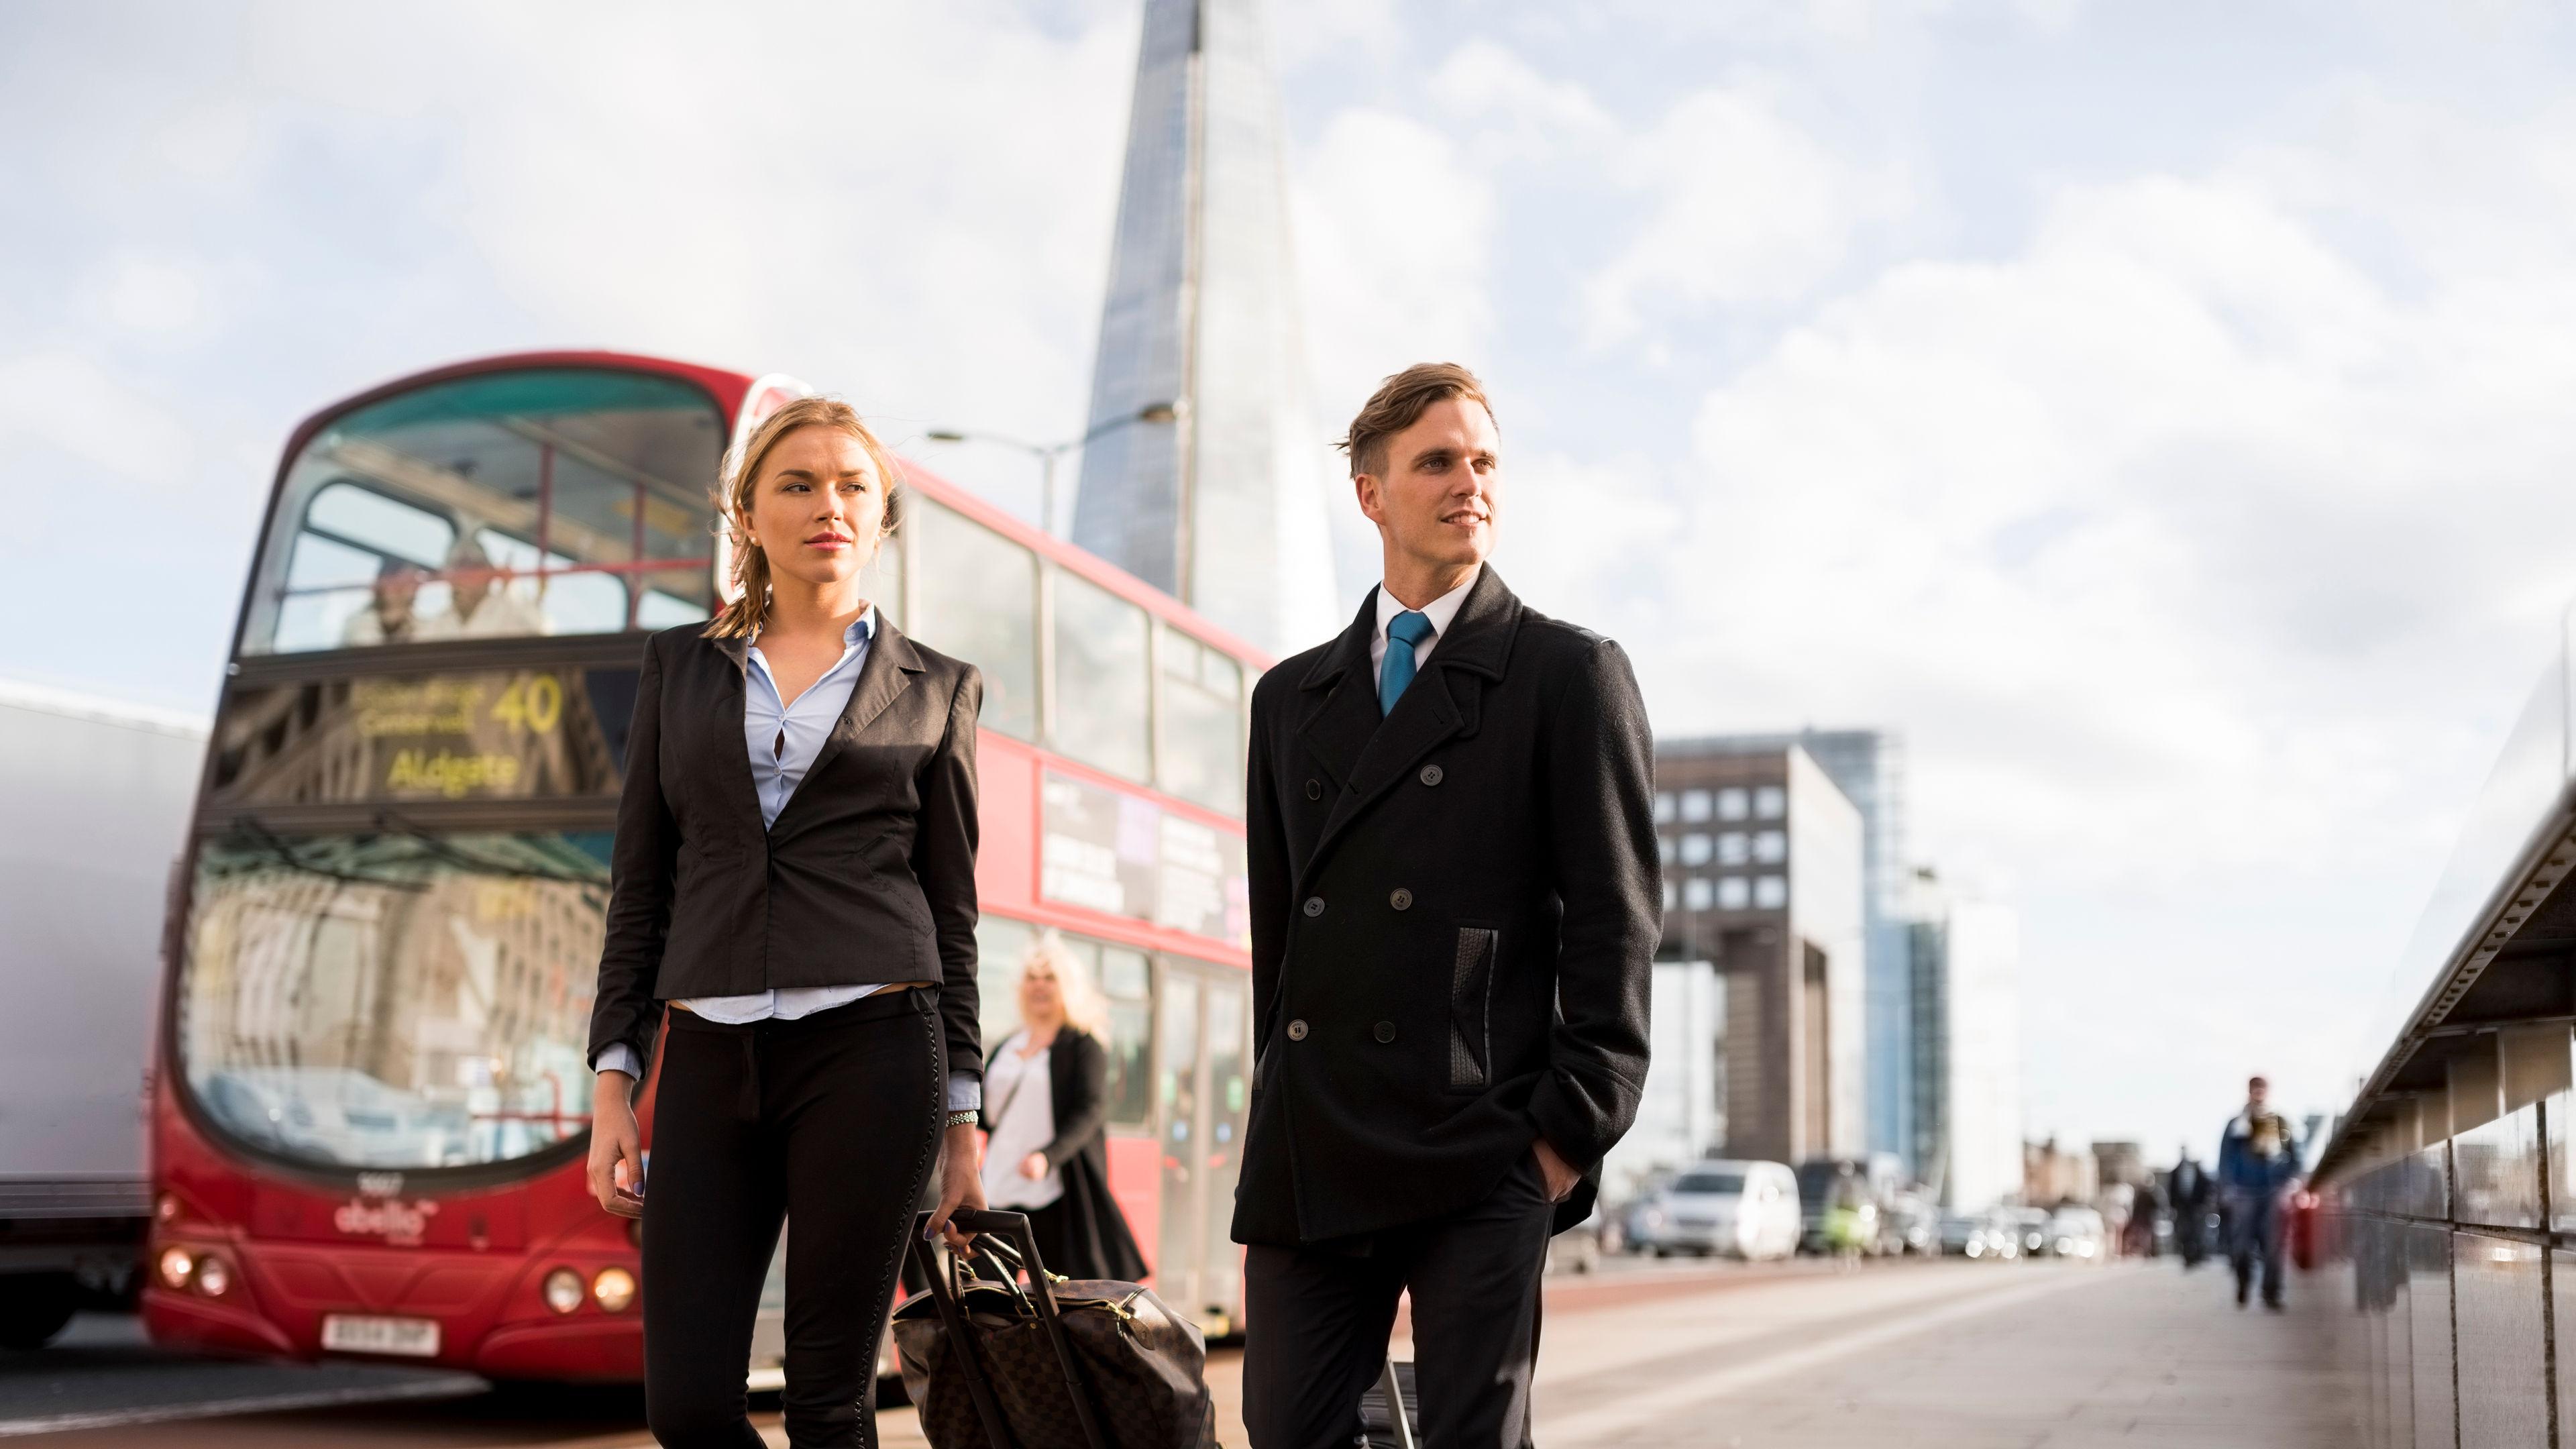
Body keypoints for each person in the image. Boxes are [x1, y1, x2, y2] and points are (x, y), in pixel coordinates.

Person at [1234, 364, 1660, 1449]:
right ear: (1372, 494)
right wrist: (1276, 1122)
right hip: (1316, 1146)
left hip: (1484, 1141)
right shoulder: (1291, 698)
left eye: (1483, 461)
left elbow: (1617, 919)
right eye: (1437, 461)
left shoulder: (1569, 674)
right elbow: (1281, 946)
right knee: (1287, 1430)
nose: (1469, 481)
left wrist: (1565, 1138)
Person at [584, 395, 988, 1448]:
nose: (829, 505)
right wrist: (615, 1084)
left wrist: (963, 1112)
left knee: (825, 1404)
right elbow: (641, 889)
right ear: (748, 515)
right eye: (798, 484)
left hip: (875, 1046)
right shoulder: (681, 668)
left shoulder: (939, 689)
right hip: (710, 1050)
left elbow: (953, 913)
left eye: (854, 485)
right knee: (688, 1409)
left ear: (882, 516)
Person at [978, 933, 1149, 1283]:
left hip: (1053, 1193)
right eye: (1032, 978)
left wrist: (1048, 1157)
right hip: (996, 1186)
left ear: (1068, 987)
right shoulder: (1008, 1046)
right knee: (987, 1299)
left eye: (1050, 978)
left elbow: (1091, 1110)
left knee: (1061, 1302)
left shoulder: (1083, 1045)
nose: (1039, 986)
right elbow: (985, 1112)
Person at [2216, 1075, 2302, 1310]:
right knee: (2242, 1244)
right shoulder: (2236, 1124)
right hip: (2243, 1191)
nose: (2259, 1093)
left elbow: (2297, 1157)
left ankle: (2271, 1293)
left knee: (2275, 1245)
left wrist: (2290, 1185)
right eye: (2255, 1089)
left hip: (2274, 1189)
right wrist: (2228, 1187)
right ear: (2249, 1091)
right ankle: (2243, 1280)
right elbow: (2224, 1160)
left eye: (2262, 1088)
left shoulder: (2281, 1121)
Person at [419, 538, 549, 639]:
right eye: (455, 570)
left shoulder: (509, 609)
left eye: (468, 571)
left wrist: (511, 587)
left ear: (487, 575)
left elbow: (541, 633)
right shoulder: (440, 623)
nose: (460, 580)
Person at [341, 558, 427, 645]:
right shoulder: (356, 624)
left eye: (409, 582)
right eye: (396, 582)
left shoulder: (423, 627)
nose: (401, 589)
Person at [2168, 1149, 2213, 1268]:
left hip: (2196, 1206)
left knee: (2197, 1231)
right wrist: (2172, 1206)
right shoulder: (2176, 1171)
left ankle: (2197, 1255)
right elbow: (2171, 1190)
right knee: (2184, 1231)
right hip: (2182, 1206)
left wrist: (2203, 1204)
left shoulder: (2198, 1172)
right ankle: (2187, 1255)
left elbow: (2206, 1187)